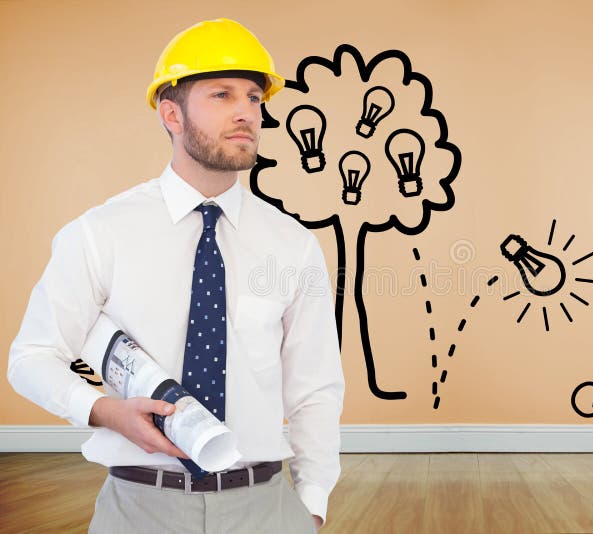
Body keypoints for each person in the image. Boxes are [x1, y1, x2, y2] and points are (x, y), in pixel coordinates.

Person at [7, 18, 345, 533]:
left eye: (254, 98)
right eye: (221, 94)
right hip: (139, 507)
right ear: (171, 113)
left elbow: (314, 388)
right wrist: (103, 411)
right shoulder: (101, 233)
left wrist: (314, 502)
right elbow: (31, 358)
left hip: (265, 507)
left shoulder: (293, 245)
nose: (246, 113)